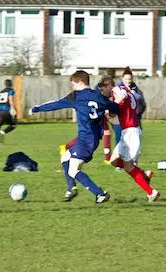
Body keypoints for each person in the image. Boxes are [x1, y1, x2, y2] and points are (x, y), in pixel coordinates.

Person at [29, 71, 118, 204]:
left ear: (80, 82)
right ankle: (71, 188)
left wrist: (36, 109)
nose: (72, 87)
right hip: (91, 138)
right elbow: (114, 107)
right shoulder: (98, 95)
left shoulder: (77, 96)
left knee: (73, 170)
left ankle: (100, 193)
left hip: (86, 139)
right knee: (65, 156)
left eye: (73, 84)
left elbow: (56, 104)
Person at [109, 84, 160, 202]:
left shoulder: (118, 91)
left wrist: (109, 110)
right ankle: (143, 174)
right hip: (128, 132)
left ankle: (151, 192)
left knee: (128, 167)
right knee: (114, 161)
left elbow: (115, 109)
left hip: (130, 132)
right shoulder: (129, 92)